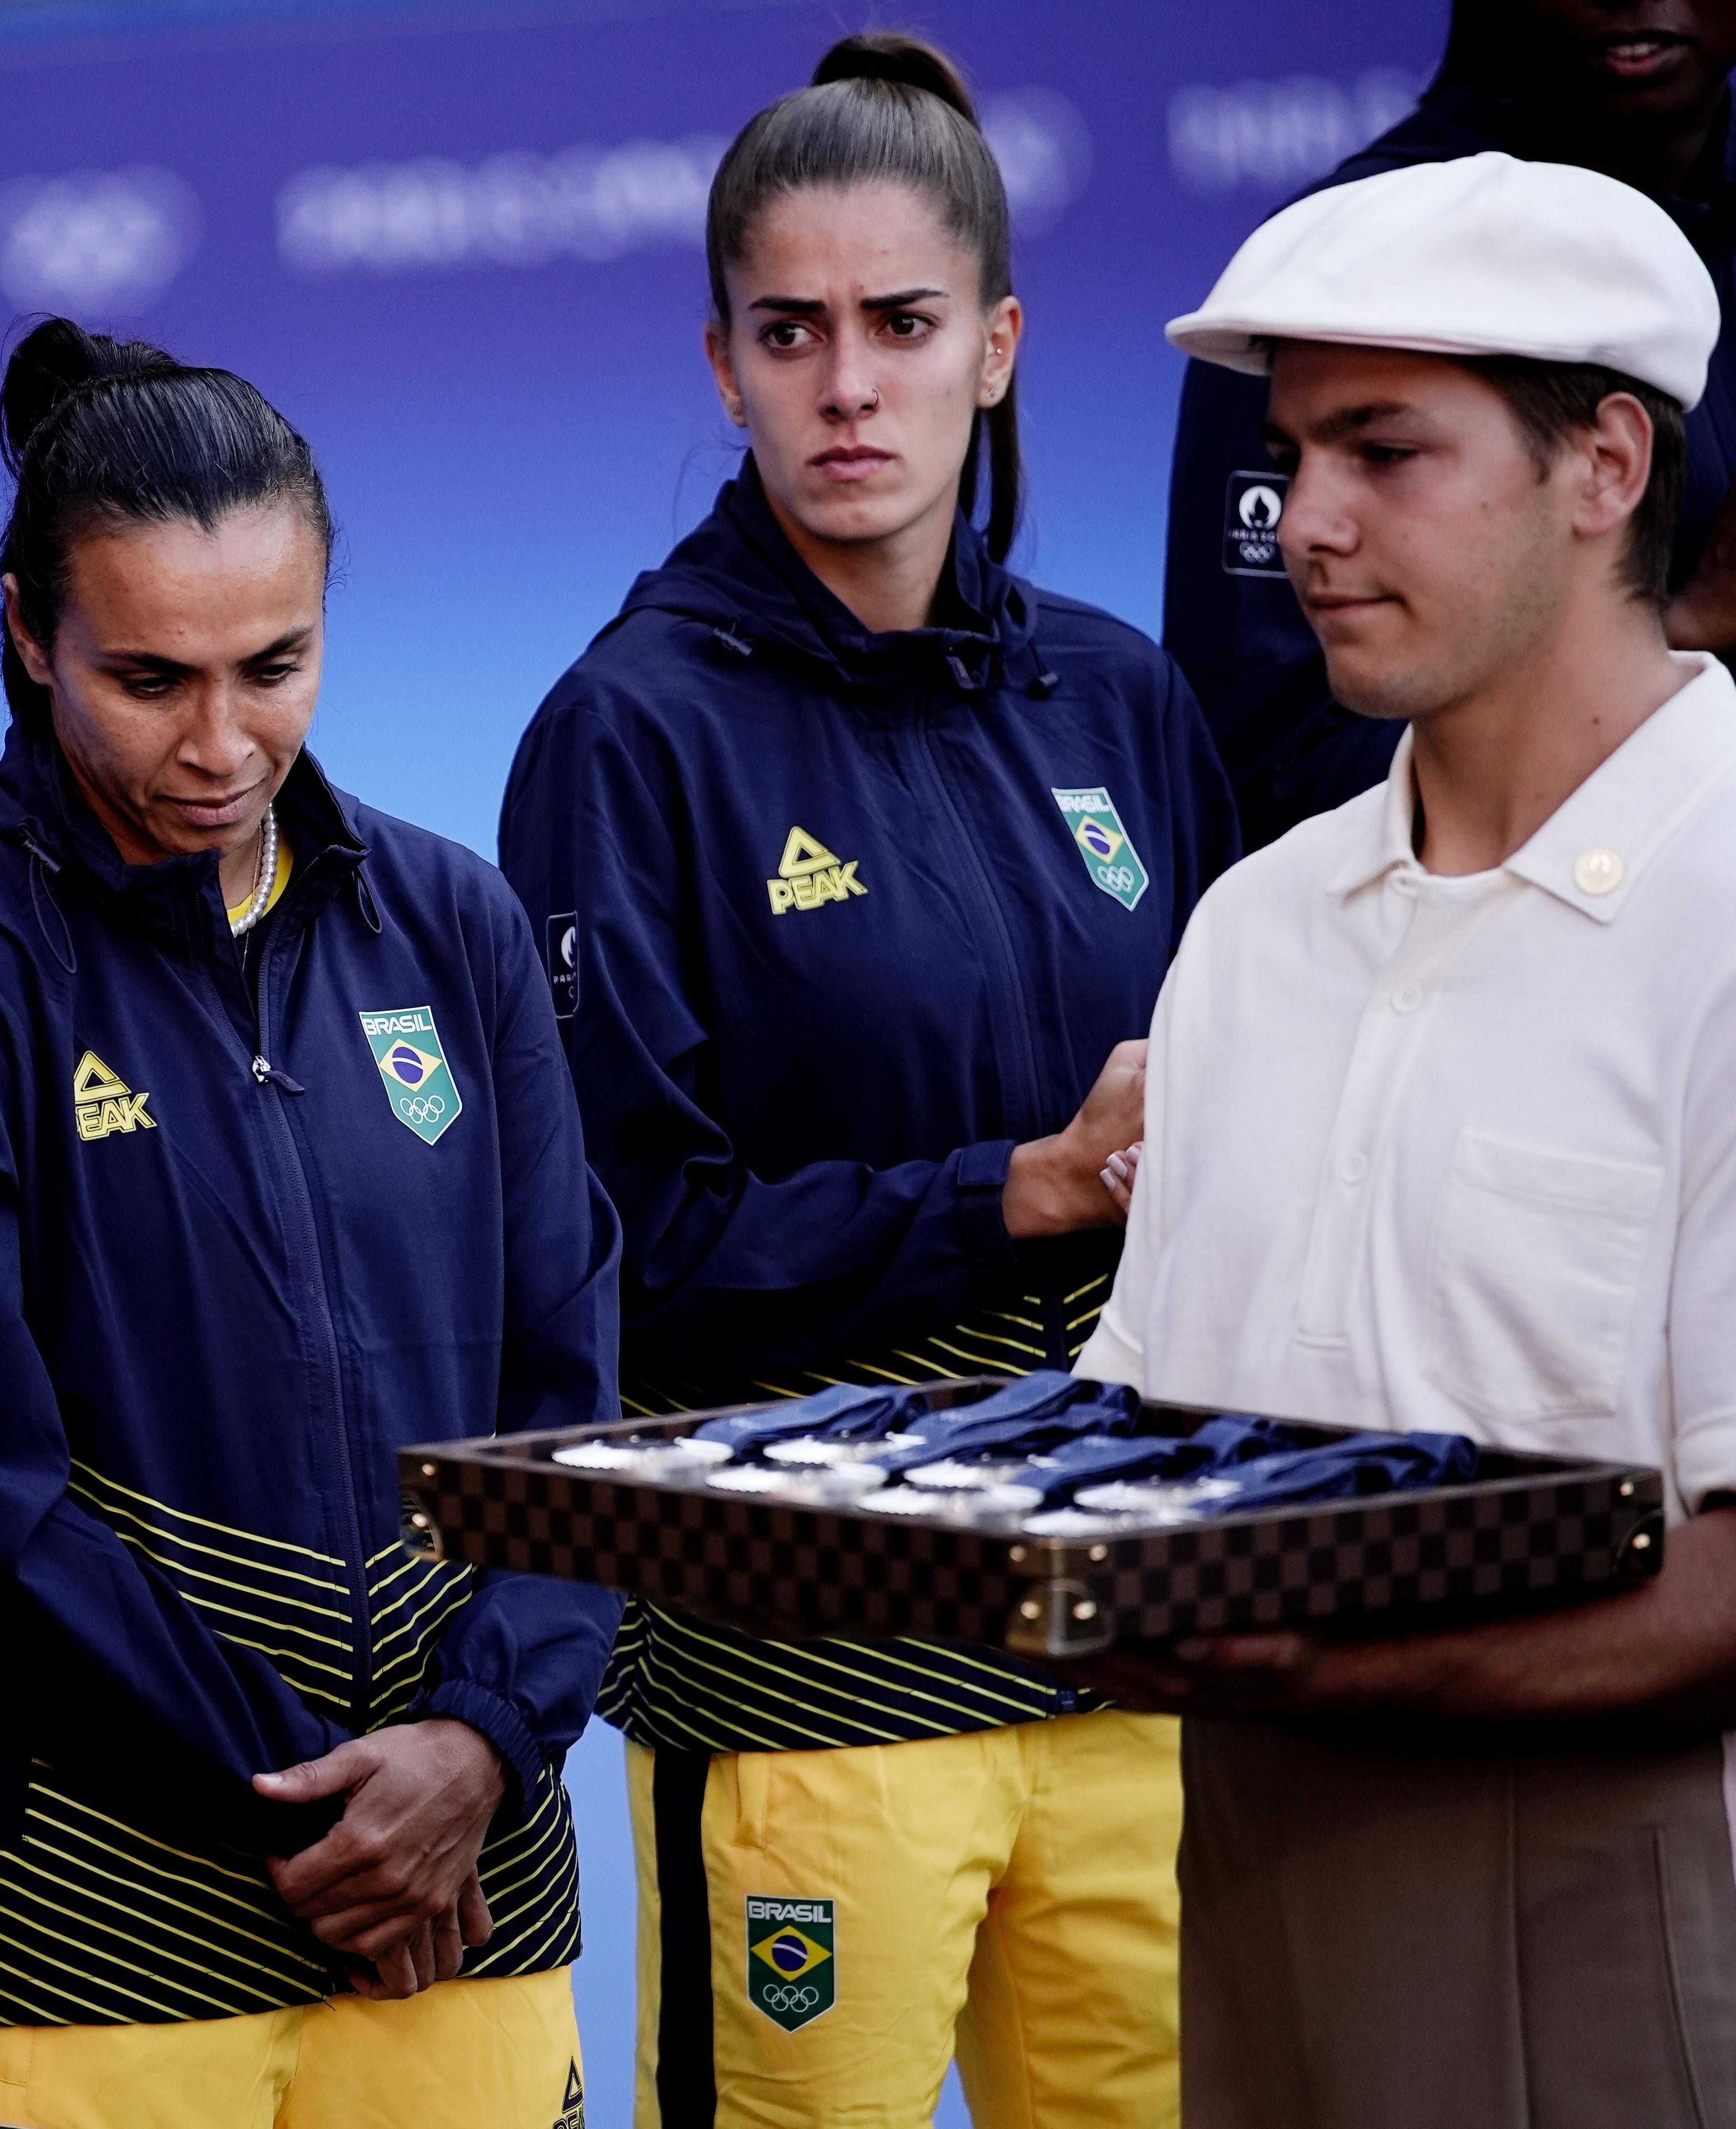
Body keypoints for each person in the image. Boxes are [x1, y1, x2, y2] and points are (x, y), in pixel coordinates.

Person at [1078, 152, 1736, 2125]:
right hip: (1255, 1894)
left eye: (1386, 449)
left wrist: (1299, 1651)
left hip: (1651, 1913)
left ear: (1606, 463)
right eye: (1294, 452)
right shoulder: (1252, 927)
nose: (1309, 524)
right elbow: (1142, 1441)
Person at [500, 34, 1238, 2129]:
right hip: (807, 1685)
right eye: (790, 331)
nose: (848, 385)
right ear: (719, 362)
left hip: (1130, 1652)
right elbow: (625, 1253)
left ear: (993, 345)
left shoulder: (1118, 690)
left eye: (901, 326)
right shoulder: (627, 735)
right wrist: (1016, 1184)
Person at [0, 319, 623, 2129]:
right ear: (26, 632)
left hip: (467, 1910)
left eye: (276, 663)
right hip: (96, 1956)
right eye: (151, 676)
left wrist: (481, 1742)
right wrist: (338, 1805)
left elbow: (579, 1407)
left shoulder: (457, 928)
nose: (223, 742)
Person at [1165, 0, 1736, 852]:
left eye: (1387, 451)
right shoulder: (1331, 280)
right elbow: (1259, 786)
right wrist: (1670, 634)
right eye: (1386, 450)